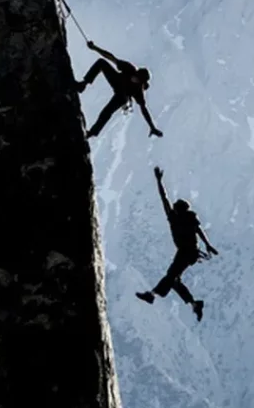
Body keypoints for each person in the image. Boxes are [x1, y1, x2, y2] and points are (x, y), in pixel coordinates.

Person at [135, 166, 219, 321]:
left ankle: (152, 295)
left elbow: (164, 198)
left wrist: (159, 182)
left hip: (187, 252)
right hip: (188, 252)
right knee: (174, 281)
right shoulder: (186, 217)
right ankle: (194, 304)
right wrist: (207, 244)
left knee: (171, 275)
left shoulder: (175, 218)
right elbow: (199, 231)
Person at [76, 40, 163, 139]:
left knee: (106, 112)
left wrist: (152, 127)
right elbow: (111, 58)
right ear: (136, 72)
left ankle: (92, 133)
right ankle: (83, 84)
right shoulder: (130, 68)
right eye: (136, 76)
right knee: (101, 63)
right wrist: (95, 48)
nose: (135, 79)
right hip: (117, 80)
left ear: (141, 82)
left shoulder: (138, 90)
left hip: (122, 95)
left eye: (138, 80)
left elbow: (144, 110)